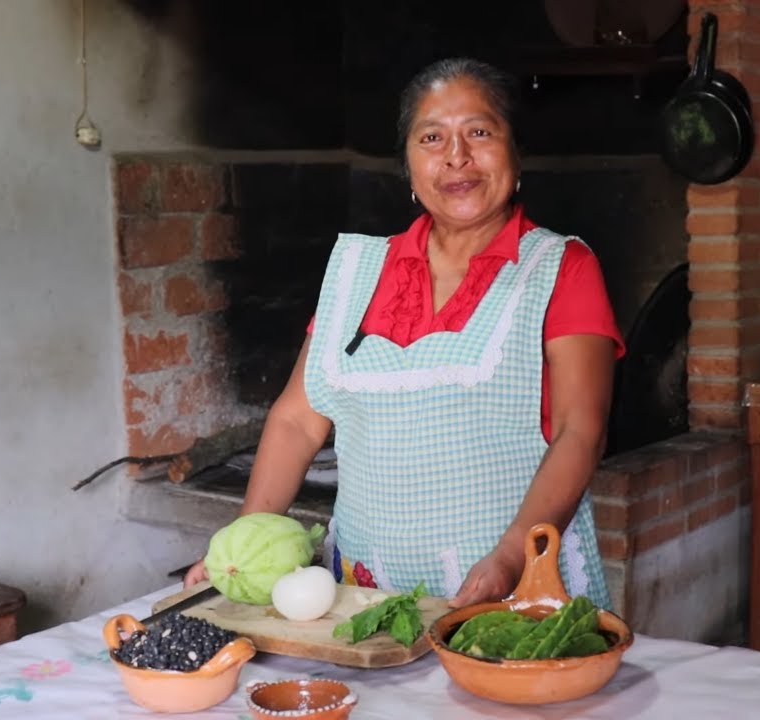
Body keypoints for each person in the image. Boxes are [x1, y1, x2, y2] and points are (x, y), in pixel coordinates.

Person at [184, 57, 624, 610]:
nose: (456, 156)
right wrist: (244, 549)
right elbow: (297, 420)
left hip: (513, 594)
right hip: (366, 598)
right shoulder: (355, 271)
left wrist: (513, 557)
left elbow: (580, 432)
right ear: (409, 167)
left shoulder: (560, 267)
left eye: (480, 132)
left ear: (516, 151)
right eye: (432, 137)